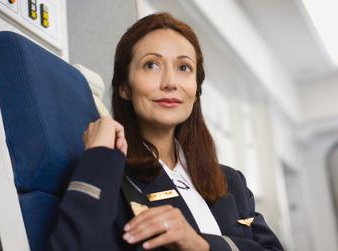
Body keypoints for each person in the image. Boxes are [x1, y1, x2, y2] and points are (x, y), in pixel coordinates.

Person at [48, 12, 284, 251]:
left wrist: (202, 245)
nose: (171, 82)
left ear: (196, 89)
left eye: (184, 67)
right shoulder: (108, 173)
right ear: (124, 87)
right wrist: (98, 157)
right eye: (151, 65)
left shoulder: (231, 183)